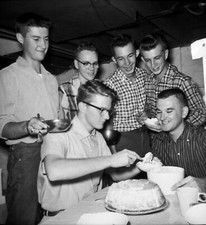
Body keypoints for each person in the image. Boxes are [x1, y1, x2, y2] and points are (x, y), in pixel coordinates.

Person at [38, 79, 142, 215]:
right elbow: (54, 171)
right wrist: (111, 159)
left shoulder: (98, 137)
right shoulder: (58, 134)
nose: (106, 116)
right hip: (60, 217)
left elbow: (115, 174)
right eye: (102, 110)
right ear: (83, 107)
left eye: (108, 111)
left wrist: (140, 166)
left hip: (90, 213)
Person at [0, 13, 60, 225]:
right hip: (26, 157)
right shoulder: (8, 75)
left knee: (51, 216)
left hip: (53, 152)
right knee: (24, 218)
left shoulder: (52, 80)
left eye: (46, 39)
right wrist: (27, 125)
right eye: (36, 39)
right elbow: (3, 128)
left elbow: (58, 120)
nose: (43, 45)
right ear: (19, 38)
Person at [139, 33, 206, 132]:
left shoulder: (183, 82)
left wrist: (178, 126)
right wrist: (146, 114)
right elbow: (150, 107)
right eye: (148, 60)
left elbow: (202, 113)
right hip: (157, 141)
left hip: (180, 140)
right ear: (143, 60)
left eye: (157, 58)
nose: (153, 65)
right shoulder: (147, 82)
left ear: (165, 54)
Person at [104, 33, 151, 157]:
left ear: (136, 53)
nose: (127, 62)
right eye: (121, 58)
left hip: (146, 136)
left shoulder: (144, 75)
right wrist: (113, 154)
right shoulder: (110, 85)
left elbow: (150, 103)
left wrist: (148, 112)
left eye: (130, 56)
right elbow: (106, 122)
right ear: (114, 60)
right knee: (126, 177)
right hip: (122, 140)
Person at [151, 88, 206, 192]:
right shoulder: (157, 141)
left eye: (169, 111)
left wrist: (204, 183)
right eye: (159, 112)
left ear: (184, 112)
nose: (162, 117)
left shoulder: (202, 138)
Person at [60, 41, 99, 121]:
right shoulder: (66, 90)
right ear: (76, 64)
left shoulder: (101, 89)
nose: (92, 68)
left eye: (95, 63)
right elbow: (62, 121)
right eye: (86, 63)